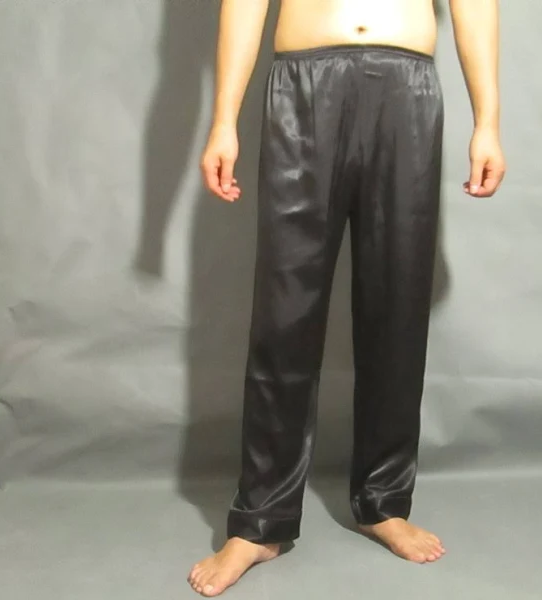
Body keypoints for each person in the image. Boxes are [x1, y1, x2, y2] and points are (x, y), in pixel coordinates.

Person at [190, 0, 506, 596]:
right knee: (284, 311)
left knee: (398, 304)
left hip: (406, 88)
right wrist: (224, 118)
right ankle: (261, 520)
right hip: (303, 85)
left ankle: (384, 501)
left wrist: (487, 119)